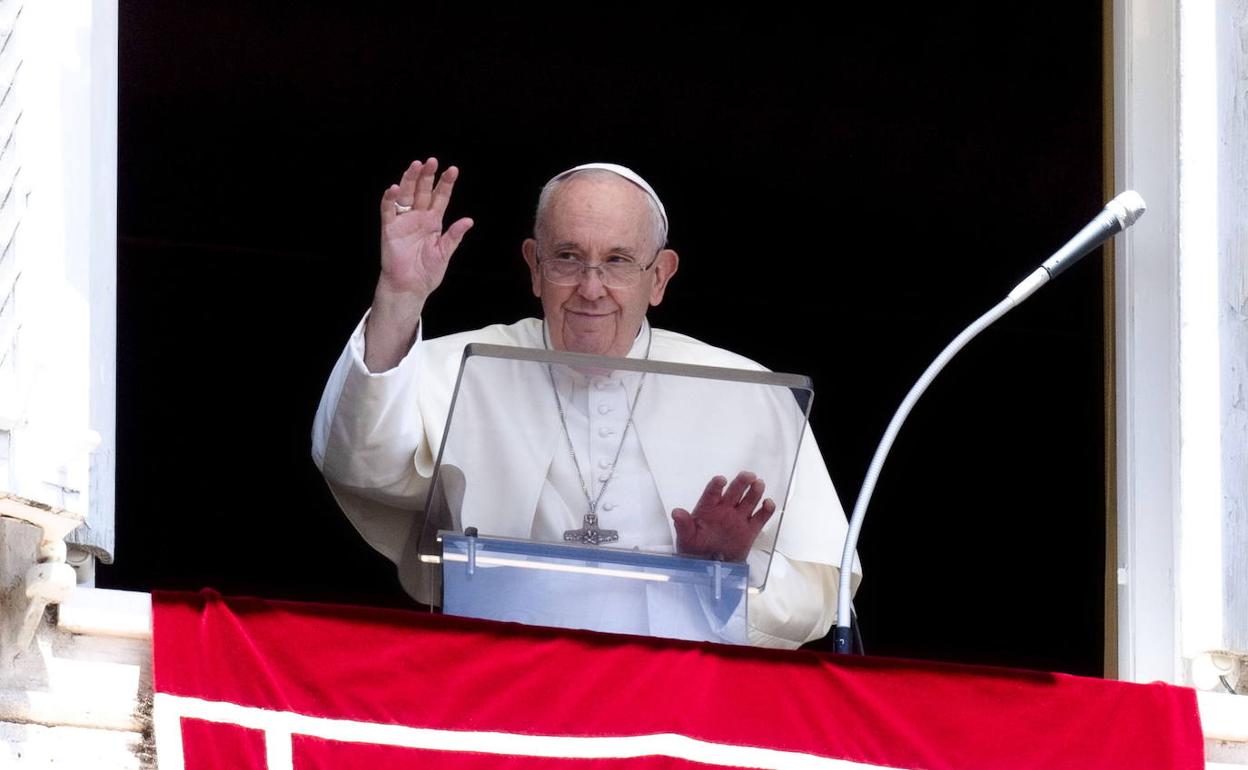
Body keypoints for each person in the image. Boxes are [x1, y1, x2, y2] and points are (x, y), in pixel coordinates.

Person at [312, 158, 860, 648]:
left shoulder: (747, 392)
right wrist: (400, 298)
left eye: (619, 260)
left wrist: (723, 572)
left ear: (659, 277)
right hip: (501, 680)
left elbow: (824, 588)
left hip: (682, 700)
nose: (591, 288)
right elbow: (361, 463)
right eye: (568, 258)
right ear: (533, 265)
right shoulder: (464, 364)